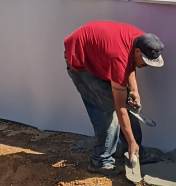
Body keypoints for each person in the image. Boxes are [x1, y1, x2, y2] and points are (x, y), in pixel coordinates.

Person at [64, 21, 165, 175]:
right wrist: (131, 141)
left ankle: (135, 152)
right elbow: (120, 108)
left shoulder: (141, 40)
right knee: (107, 109)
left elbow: (130, 63)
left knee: (128, 105)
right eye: (145, 62)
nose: (146, 65)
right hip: (81, 60)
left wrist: (134, 91)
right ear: (138, 51)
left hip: (99, 54)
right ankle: (100, 161)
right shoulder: (118, 58)